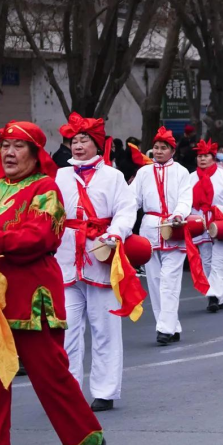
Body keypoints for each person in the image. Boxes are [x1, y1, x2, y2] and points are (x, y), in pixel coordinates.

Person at [0, 121, 105, 445]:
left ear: (35, 155)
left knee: (50, 376)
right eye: (5, 146)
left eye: (18, 146)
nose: (9, 153)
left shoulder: (45, 188)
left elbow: (40, 236)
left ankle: (88, 440)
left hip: (31, 295)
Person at [55, 113, 137, 412]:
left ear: (97, 144)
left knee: (104, 328)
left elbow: (126, 210)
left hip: (101, 257)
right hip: (66, 258)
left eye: (84, 140)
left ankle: (105, 390)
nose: (77, 146)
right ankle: (69, 391)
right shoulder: (60, 176)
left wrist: (115, 233)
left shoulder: (113, 176)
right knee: (66, 330)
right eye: (74, 141)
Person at [130, 127, 193, 345]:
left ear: (172, 151)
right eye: (156, 147)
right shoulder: (143, 173)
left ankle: (164, 329)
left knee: (169, 280)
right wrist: (123, 221)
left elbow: (185, 198)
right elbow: (132, 200)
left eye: (163, 148)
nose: (158, 151)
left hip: (174, 228)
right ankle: (170, 326)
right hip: (149, 229)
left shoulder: (181, 172)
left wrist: (179, 214)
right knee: (155, 281)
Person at [189, 138, 223, 312]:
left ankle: (212, 295)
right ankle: (219, 298)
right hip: (200, 222)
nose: (202, 159)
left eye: (206, 156)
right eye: (199, 156)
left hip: (222, 220)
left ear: (213, 157)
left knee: (219, 260)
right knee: (207, 261)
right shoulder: (190, 178)